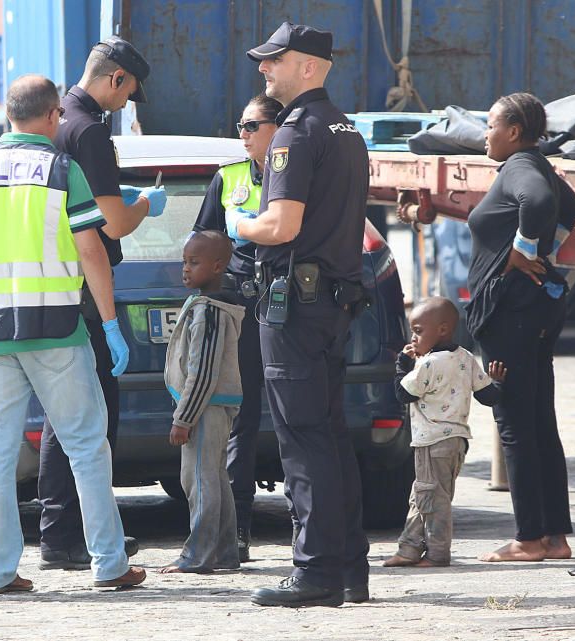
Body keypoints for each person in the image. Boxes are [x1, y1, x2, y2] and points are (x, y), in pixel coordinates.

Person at [0, 74, 145, 593]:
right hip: (55, 330)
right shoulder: (59, 169)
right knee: (85, 446)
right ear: (53, 117)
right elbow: (91, 250)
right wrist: (111, 324)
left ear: (9, 114)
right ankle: (109, 564)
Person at [229, 22, 371, 607]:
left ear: (308, 66)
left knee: (303, 439)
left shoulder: (294, 132)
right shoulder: (347, 130)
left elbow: (281, 226)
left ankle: (314, 574)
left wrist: (239, 219)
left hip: (295, 307)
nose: (264, 70)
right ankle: (348, 569)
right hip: (332, 302)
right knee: (332, 436)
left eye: (274, 61)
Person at [38, 35, 165, 571]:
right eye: (129, 90)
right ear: (115, 78)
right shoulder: (89, 130)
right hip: (87, 292)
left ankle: (59, 532)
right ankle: (72, 536)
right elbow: (111, 223)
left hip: (54, 282)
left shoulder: (56, 119)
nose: (127, 101)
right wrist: (143, 205)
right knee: (94, 416)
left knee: (60, 416)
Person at [464, 92, 575, 563]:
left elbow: (536, 200)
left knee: (514, 422)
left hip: (509, 314)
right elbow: (569, 205)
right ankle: (555, 537)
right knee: (539, 423)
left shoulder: (520, 170)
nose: (484, 133)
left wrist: (528, 250)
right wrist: (549, 247)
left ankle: (528, 539)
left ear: (513, 131)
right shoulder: (537, 163)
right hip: (532, 312)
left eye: (490, 124)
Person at [193, 92, 282, 562]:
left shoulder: (296, 174)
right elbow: (202, 239)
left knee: (295, 418)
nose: (242, 134)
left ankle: (309, 525)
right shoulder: (228, 177)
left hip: (290, 305)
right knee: (240, 421)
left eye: (251, 126)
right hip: (242, 307)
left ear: (277, 128)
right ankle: (238, 528)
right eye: (240, 125)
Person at [384, 297, 505, 568]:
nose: (413, 338)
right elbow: (488, 396)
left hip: (432, 442)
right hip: (456, 443)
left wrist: (402, 365)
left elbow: (402, 394)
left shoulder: (428, 365)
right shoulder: (465, 357)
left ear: (442, 329)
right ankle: (409, 549)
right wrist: (498, 381)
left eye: (418, 331)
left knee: (432, 499)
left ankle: (438, 553)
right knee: (423, 496)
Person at [159, 231, 245, 574]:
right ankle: (224, 552)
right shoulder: (205, 305)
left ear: (218, 266)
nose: (185, 269)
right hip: (209, 407)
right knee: (214, 478)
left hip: (204, 408)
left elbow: (203, 372)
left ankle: (198, 554)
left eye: (194, 263)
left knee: (198, 480)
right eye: (184, 262)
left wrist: (184, 417)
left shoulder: (209, 312)